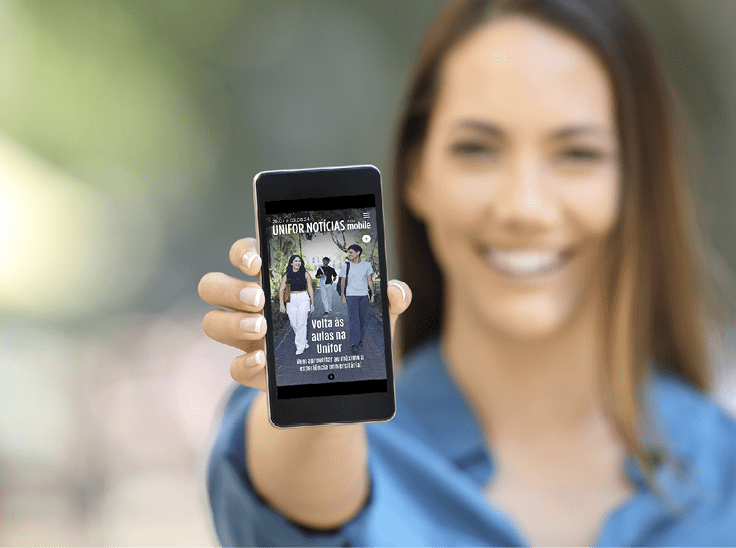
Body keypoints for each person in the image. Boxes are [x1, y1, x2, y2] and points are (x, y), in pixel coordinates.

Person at [198, 0, 736, 545]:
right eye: (476, 149)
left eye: (578, 153)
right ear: (415, 173)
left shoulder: (723, 466)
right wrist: (316, 381)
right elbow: (299, 497)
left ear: (635, 181)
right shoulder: (341, 446)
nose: (524, 207)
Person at [340, 244, 375, 353]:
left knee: (364, 320)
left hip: (364, 296)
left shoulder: (367, 265)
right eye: (349, 252)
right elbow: (342, 281)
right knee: (354, 320)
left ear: (358, 252)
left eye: (351, 252)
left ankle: (359, 339)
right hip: (351, 296)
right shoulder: (346, 266)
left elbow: (369, 280)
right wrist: (342, 295)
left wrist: (372, 294)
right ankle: (354, 343)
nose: (349, 254)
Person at [278, 254, 315, 355]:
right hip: (291, 299)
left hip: (303, 298)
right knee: (294, 324)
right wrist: (282, 304)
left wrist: (312, 303)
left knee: (302, 323)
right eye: (295, 261)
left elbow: (310, 288)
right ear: (291, 263)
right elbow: (281, 290)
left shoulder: (305, 274)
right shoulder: (286, 275)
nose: (298, 263)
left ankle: (300, 346)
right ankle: (304, 341)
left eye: (299, 261)